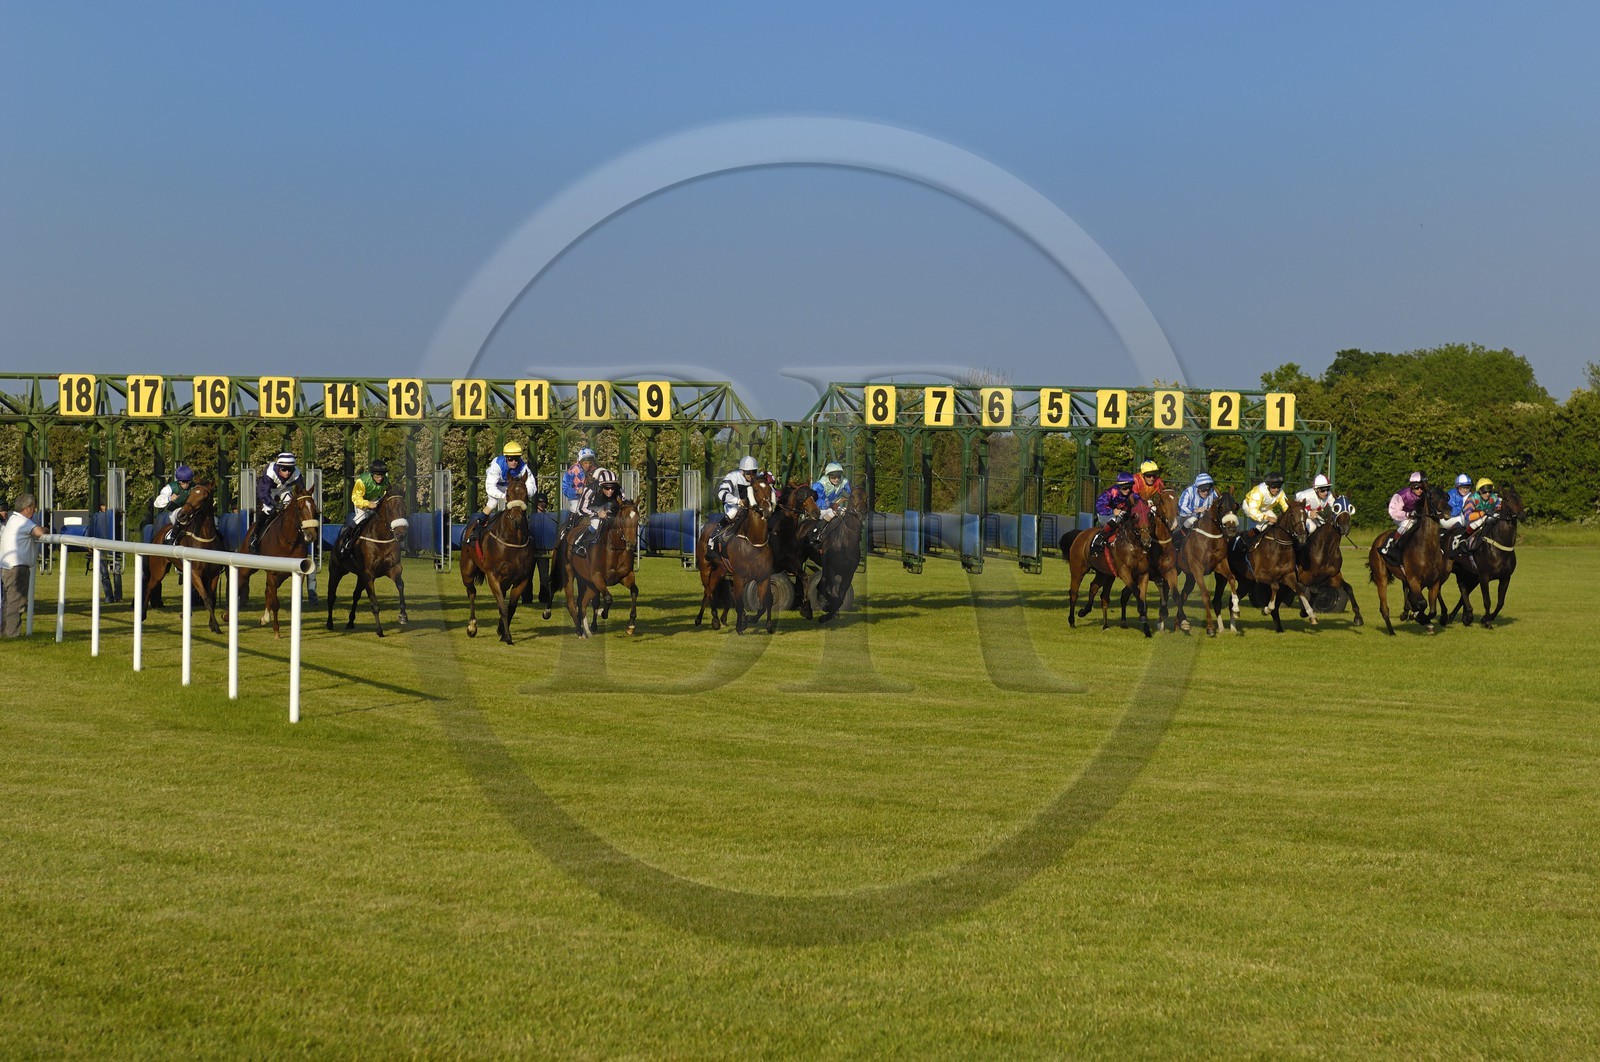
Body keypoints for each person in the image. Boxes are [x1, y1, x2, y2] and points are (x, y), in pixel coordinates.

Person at [463, 441, 536, 549]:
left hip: (510, 486)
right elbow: (490, 487)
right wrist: (504, 497)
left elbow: (532, 486)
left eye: (516, 459)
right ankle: (477, 527)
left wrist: (521, 496)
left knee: (518, 506)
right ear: (506, 458)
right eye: (511, 459)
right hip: (496, 485)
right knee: (493, 503)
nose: (514, 462)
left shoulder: (523, 467)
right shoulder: (497, 465)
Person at [1, 493, 46, 637]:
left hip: (7, 567)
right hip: (17, 568)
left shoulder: (13, 519)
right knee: (16, 603)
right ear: (28, 508)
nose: (34, 511)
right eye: (33, 508)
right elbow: (39, 532)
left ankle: (4, 632)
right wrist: (46, 529)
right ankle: (12, 634)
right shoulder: (23, 521)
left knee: (7, 603)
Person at [706, 455, 763, 564]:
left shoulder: (758, 478)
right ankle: (713, 539)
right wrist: (738, 501)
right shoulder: (733, 477)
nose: (751, 475)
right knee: (732, 513)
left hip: (752, 507)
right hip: (734, 504)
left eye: (754, 472)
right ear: (742, 471)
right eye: (748, 473)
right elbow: (721, 493)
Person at [332, 459, 390, 564]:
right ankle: (346, 543)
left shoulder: (385, 480)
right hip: (361, 502)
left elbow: (386, 493)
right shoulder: (362, 481)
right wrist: (368, 504)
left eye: (382, 475)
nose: (380, 478)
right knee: (360, 520)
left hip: (376, 500)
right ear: (372, 474)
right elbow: (355, 498)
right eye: (377, 476)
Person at [248, 453, 305, 552]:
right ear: (279, 467)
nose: (287, 473)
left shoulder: (297, 473)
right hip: (270, 490)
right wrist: (274, 504)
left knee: (293, 508)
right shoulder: (270, 473)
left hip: (286, 489)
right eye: (284, 469)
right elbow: (263, 493)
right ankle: (255, 537)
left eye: (290, 469)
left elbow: (302, 492)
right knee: (268, 509)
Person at [570, 468, 624, 558]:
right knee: (596, 523)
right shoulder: (590, 490)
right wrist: (597, 513)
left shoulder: (619, 490)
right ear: (600, 485)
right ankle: (580, 544)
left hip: (611, 509)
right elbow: (581, 509)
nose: (610, 490)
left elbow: (623, 504)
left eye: (612, 487)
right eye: (607, 487)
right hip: (593, 508)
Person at [1380, 471, 1428, 563]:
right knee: (1408, 524)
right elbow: (1393, 511)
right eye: (1417, 487)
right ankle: (1392, 545)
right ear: (1411, 486)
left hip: (1419, 518)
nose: (1420, 490)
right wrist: (1407, 515)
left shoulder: (1426, 495)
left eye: (1422, 487)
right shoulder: (1402, 495)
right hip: (1401, 518)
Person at [1088, 471, 1138, 556]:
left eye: (1130, 487)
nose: (1128, 490)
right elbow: (1099, 506)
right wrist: (1112, 511)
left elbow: (1139, 500)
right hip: (1105, 515)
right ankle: (1099, 538)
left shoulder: (1131, 494)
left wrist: (1149, 503)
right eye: (1125, 488)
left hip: (1122, 516)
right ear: (1119, 486)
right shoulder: (1109, 493)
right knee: (1115, 520)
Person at [1448, 478, 1502, 554]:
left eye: (1489, 491)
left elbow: (1499, 507)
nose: (1487, 494)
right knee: (1480, 520)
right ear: (1479, 491)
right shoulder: (1472, 499)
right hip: (1468, 519)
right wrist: (1482, 513)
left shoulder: (1494, 497)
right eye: (1484, 491)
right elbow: (1468, 516)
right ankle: (1462, 539)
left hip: (1486, 517)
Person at [1240, 471, 1289, 539]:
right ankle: (1245, 538)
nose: (1276, 490)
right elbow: (1253, 510)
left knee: (1276, 523)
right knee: (1262, 525)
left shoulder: (1280, 492)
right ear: (1268, 485)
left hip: (1265, 508)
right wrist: (1267, 517)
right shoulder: (1259, 491)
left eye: (1278, 487)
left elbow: (1286, 506)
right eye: (1274, 487)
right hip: (1250, 508)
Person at [560, 447, 597, 530]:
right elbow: (565, 489)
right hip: (576, 498)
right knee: (576, 507)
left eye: (590, 462)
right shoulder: (572, 471)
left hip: (591, 499)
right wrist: (577, 491)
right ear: (580, 462)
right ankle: (569, 527)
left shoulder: (595, 471)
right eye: (585, 463)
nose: (588, 465)